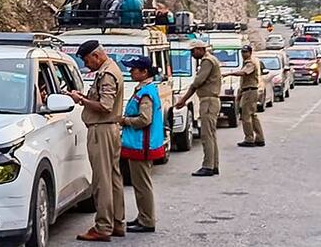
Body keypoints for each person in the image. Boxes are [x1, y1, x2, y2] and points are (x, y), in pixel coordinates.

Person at [69, 40, 126, 242]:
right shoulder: (111, 69)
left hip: (102, 129)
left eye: (87, 60)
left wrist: (81, 101)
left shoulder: (106, 74)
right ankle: (117, 222)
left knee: (102, 180)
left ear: (96, 56)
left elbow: (105, 105)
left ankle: (103, 227)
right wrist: (83, 96)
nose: (87, 65)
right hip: (110, 129)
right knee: (113, 178)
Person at [119, 56, 165, 234]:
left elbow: (144, 119)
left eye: (133, 69)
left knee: (142, 184)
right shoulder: (145, 89)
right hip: (139, 143)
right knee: (140, 184)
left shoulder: (146, 93)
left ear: (144, 72)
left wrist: (124, 121)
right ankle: (143, 216)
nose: (130, 72)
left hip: (142, 144)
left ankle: (147, 220)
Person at [175, 40, 222, 177]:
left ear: (200, 49)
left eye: (193, 51)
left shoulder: (207, 61)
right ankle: (214, 165)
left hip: (208, 101)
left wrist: (183, 100)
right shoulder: (211, 60)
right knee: (211, 135)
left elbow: (197, 83)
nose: (192, 54)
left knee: (206, 135)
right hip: (211, 100)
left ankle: (208, 165)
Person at [223, 45, 266, 147]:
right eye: (242, 52)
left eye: (245, 52)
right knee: (253, 115)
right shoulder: (248, 62)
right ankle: (259, 138)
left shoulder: (250, 63)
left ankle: (249, 139)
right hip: (248, 91)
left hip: (250, 91)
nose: (243, 54)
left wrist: (229, 74)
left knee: (246, 116)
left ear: (250, 52)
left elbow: (243, 73)